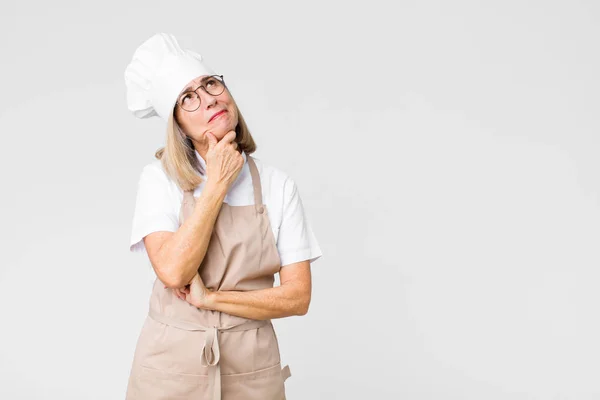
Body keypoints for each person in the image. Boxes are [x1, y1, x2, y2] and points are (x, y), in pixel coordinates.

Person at [123, 33, 322, 400]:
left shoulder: (279, 186)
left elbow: (298, 297)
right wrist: (216, 184)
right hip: (169, 368)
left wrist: (210, 299)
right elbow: (173, 271)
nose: (209, 98)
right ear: (179, 125)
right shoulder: (159, 179)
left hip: (252, 368)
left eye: (210, 83)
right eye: (188, 98)